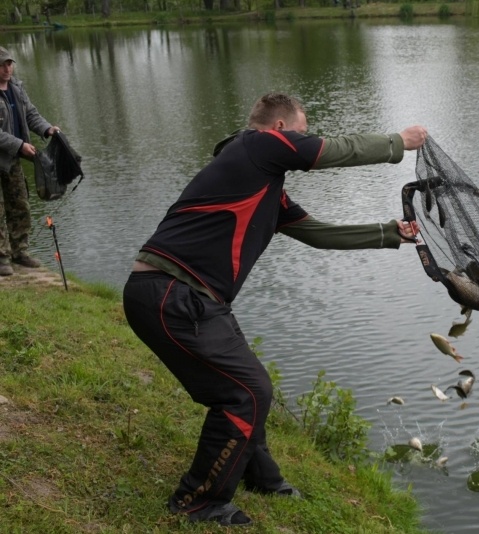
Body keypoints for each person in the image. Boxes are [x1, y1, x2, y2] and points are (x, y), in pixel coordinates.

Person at [122, 92, 427, 527]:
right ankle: (198, 501)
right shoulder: (257, 144)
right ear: (281, 128)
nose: (306, 141)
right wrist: (399, 142)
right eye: (302, 132)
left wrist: (389, 233)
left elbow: (318, 234)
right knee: (247, 392)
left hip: (190, 298)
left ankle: (261, 477)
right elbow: (330, 151)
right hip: (173, 293)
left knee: (247, 386)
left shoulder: (260, 182)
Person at [0, 45, 60, 276]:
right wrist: (20, 145)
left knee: (20, 205)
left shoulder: (16, 88)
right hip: (12, 151)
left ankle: (20, 252)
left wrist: (48, 129)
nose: (7, 69)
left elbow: (31, 114)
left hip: (12, 160)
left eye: (9, 63)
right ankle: (1, 257)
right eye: (2, 65)